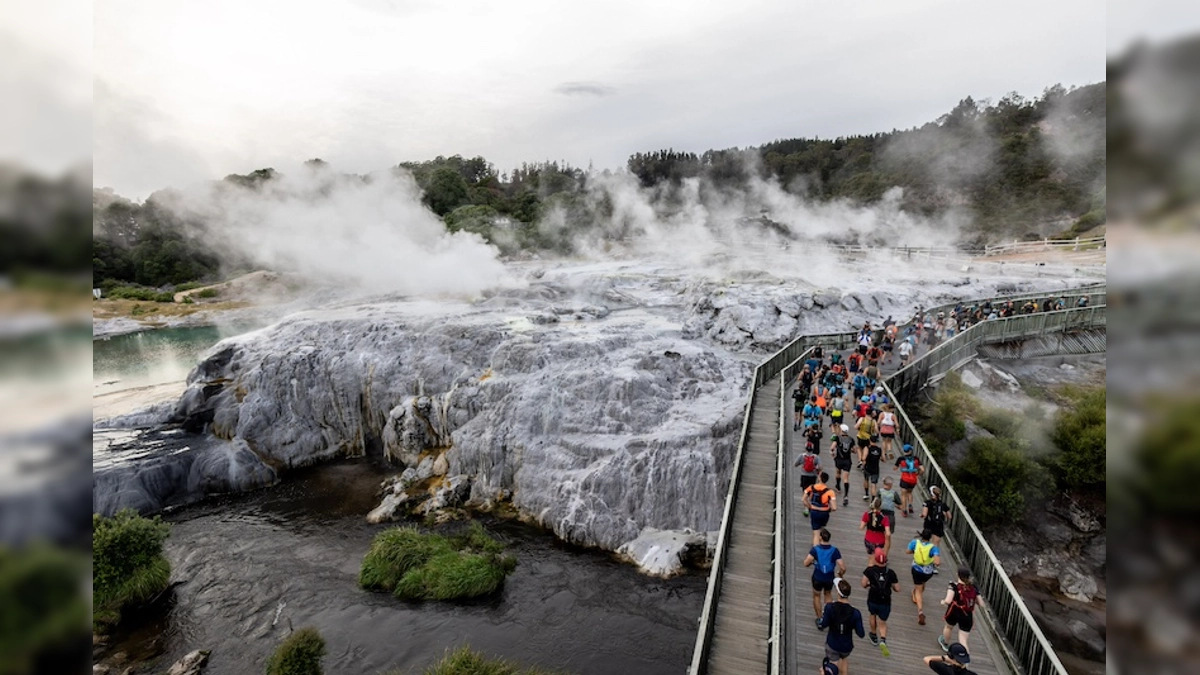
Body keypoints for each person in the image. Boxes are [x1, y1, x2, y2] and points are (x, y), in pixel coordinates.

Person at [817, 578, 865, 675]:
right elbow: (861, 633)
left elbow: (823, 624)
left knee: (832, 666)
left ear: (838, 593)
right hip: (846, 645)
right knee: (844, 659)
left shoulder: (830, 608)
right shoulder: (855, 613)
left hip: (833, 643)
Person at [861, 549, 900, 656]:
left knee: (872, 615)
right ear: (885, 561)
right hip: (885, 601)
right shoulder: (891, 573)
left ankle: (873, 635)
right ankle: (882, 639)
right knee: (882, 622)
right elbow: (897, 588)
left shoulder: (869, 570)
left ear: (875, 560)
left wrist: (870, 584)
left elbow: (863, 584)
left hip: (873, 598)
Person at [804, 528, 846, 622]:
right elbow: (843, 567)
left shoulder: (815, 550)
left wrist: (813, 563)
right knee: (828, 594)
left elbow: (806, 563)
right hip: (829, 577)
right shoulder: (834, 550)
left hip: (818, 577)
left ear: (820, 538)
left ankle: (820, 619)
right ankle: (828, 616)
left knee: (816, 596)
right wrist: (840, 574)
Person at [940, 567, 982, 653]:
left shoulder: (953, 586)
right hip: (967, 614)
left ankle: (945, 643)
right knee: (963, 639)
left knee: (948, 627)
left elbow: (948, 601)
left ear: (958, 575)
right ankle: (965, 657)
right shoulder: (973, 587)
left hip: (954, 611)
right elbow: (981, 603)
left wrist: (943, 602)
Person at [908, 529, 941, 625]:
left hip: (916, 569)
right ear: (930, 537)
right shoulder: (933, 548)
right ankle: (915, 594)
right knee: (922, 584)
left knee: (918, 589)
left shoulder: (915, 542)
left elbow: (908, 551)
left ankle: (920, 611)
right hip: (928, 572)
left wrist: (915, 552)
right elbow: (937, 562)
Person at [805, 472, 838, 545]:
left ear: (819, 478)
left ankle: (815, 549)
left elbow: (804, 499)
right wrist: (829, 509)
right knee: (821, 529)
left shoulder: (811, 487)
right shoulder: (830, 492)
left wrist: (809, 506)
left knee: (816, 532)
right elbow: (834, 507)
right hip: (824, 513)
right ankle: (819, 542)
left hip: (814, 511)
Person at [830, 425, 854, 507]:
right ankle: (846, 495)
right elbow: (854, 450)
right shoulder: (851, 439)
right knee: (846, 478)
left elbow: (832, 447)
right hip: (847, 460)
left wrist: (832, 452)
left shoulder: (838, 438)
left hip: (839, 459)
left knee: (838, 472)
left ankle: (838, 486)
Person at [896, 445, 923, 516]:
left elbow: (895, 467)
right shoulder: (916, 459)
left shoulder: (901, 459)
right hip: (913, 480)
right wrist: (918, 474)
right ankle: (910, 505)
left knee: (903, 495)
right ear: (910, 451)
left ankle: (904, 510)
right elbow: (922, 469)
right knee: (910, 492)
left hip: (904, 479)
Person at [877, 476, 902, 541]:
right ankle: (886, 546)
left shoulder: (879, 491)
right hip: (890, 515)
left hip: (880, 514)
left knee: (879, 531)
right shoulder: (894, 493)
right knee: (888, 533)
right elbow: (900, 506)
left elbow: (875, 502)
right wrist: (896, 505)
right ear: (890, 485)